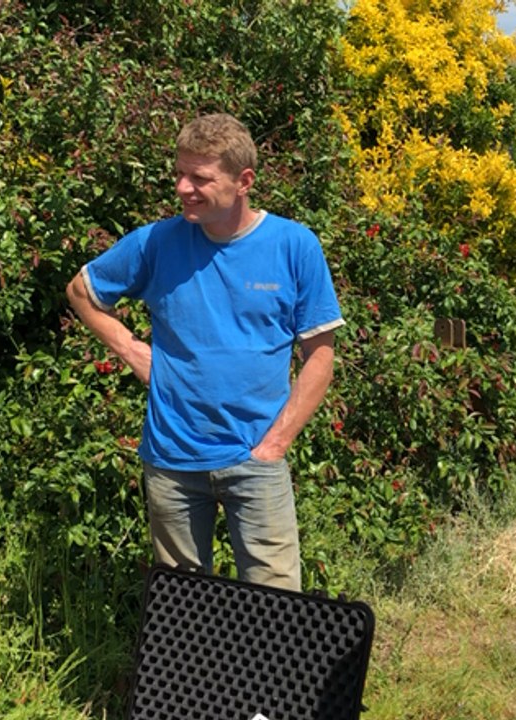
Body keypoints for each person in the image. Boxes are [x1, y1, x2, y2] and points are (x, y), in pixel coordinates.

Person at [66, 112, 342, 592]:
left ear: (244, 181)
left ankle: (266, 672)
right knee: (182, 605)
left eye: (200, 177)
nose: (183, 188)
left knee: (275, 601)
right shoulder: (157, 241)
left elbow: (320, 358)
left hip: (256, 457)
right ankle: (192, 672)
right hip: (172, 458)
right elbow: (80, 291)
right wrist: (130, 349)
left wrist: (274, 445)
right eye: (179, 173)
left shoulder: (294, 245)